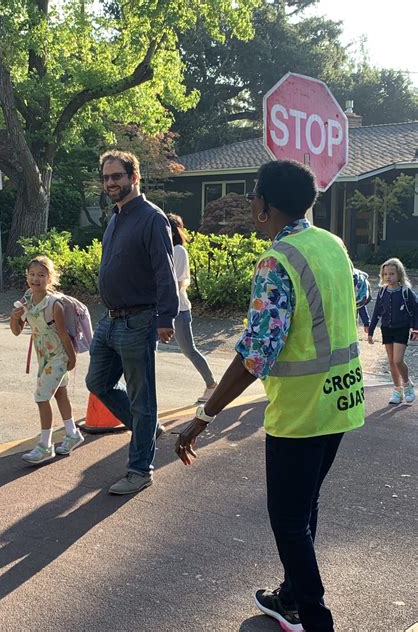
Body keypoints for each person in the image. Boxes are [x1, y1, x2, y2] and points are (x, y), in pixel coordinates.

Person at [175, 160, 368, 632]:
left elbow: (256, 355)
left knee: (287, 519)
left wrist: (204, 415)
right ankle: (290, 597)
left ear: (263, 205)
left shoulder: (276, 261)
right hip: (342, 403)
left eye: (254, 196)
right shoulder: (332, 244)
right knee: (304, 507)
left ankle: (315, 617)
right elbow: (360, 290)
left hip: (301, 412)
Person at [85, 150, 179, 495]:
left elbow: (164, 271)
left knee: (143, 400)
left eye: (117, 177)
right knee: (97, 382)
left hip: (139, 320)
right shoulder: (115, 217)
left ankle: (140, 470)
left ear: (133, 178)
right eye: (106, 177)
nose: (111, 183)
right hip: (109, 321)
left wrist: (165, 317)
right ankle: (147, 427)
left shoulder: (152, 218)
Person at [10, 256, 84, 465]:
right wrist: (14, 317)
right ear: (27, 278)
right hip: (43, 357)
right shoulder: (26, 300)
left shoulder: (54, 305)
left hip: (58, 357)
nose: (36, 279)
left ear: (50, 279)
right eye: (32, 275)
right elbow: (17, 331)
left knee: (42, 397)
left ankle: (45, 445)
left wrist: (71, 359)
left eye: (41, 275)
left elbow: (63, 335)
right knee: (60, 394)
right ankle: (72, 434)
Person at [166, 213, 217, 402]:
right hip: (161, 309)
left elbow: (178, 283)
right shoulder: (163, 249)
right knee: (147, 350)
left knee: (189, 350)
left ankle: (212, 385)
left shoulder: (178, 250)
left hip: (178, 309)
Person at [367, 257, 417, 404]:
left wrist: (415, 329)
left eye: (392, 274)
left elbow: (415, 310)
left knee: (398, 360)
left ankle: (407, 385)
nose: (388, 277)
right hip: (386, 329)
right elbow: (376, 313)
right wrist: (370, 332)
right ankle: (397, 390)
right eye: (385, 274)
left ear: (399, 275)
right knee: (391, 361)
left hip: (401, 329)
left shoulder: (406, 292)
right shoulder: (382, 292)